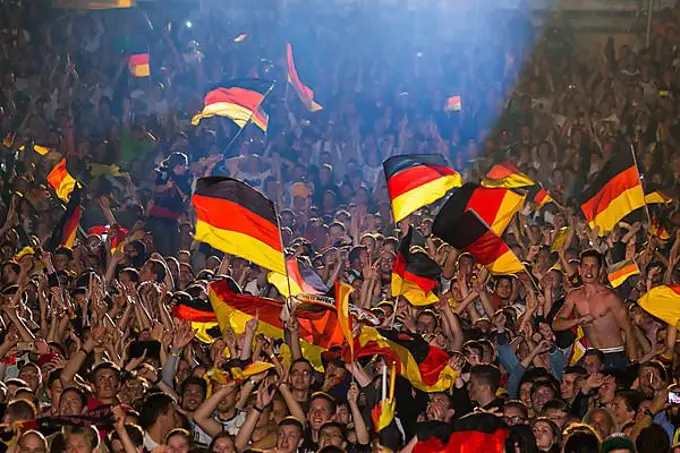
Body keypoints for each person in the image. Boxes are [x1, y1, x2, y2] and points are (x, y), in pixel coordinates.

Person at [553, 250, 637, 369]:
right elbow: (556, 324)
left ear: (600, 270)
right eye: (585, 266)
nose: (589, 271)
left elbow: (628, 330)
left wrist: (633, 363)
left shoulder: (610, 297)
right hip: (591, 354)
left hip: (613, 353)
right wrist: (578, 321)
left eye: (593, 266)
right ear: (580, 269)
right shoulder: (574, 296)